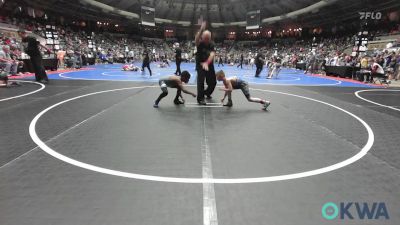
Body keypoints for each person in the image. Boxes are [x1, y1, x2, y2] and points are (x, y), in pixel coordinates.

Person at [195, 21, 216, 105]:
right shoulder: (199, 43)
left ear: (210, 38)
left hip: (209, 64)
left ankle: (206, 93)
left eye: (208, 38)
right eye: (205, 38)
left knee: (213, 82)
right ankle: (200, 98)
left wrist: (207, 63)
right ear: (202, 37)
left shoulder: (212, 44)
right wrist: (201, 30)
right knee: (201, 81)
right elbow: (196, 39)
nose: (207, 40)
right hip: (200, 64)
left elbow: (212, 54)